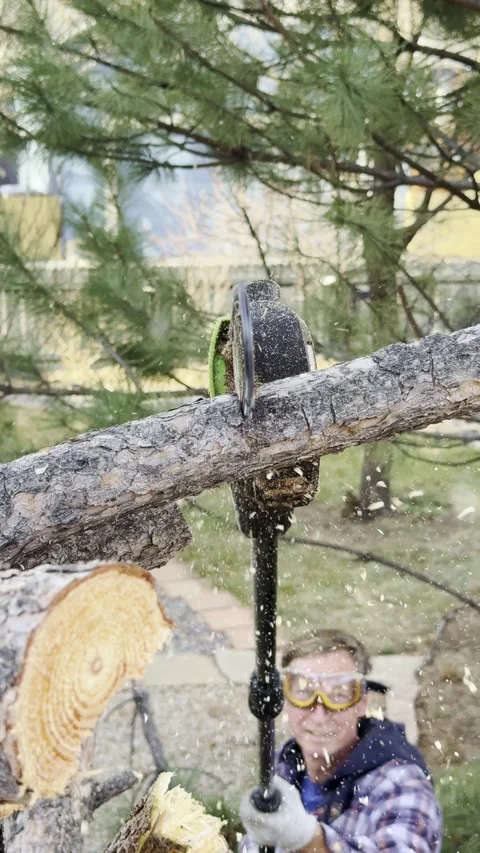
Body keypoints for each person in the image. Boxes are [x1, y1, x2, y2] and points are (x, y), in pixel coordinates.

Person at [240, 629, 442, 852]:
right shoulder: (284, 766)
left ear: (362, 703)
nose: (318, 715)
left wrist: (309, 840)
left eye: (338, 694)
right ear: (286, 699)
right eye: (303, 692)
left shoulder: (401, 783)